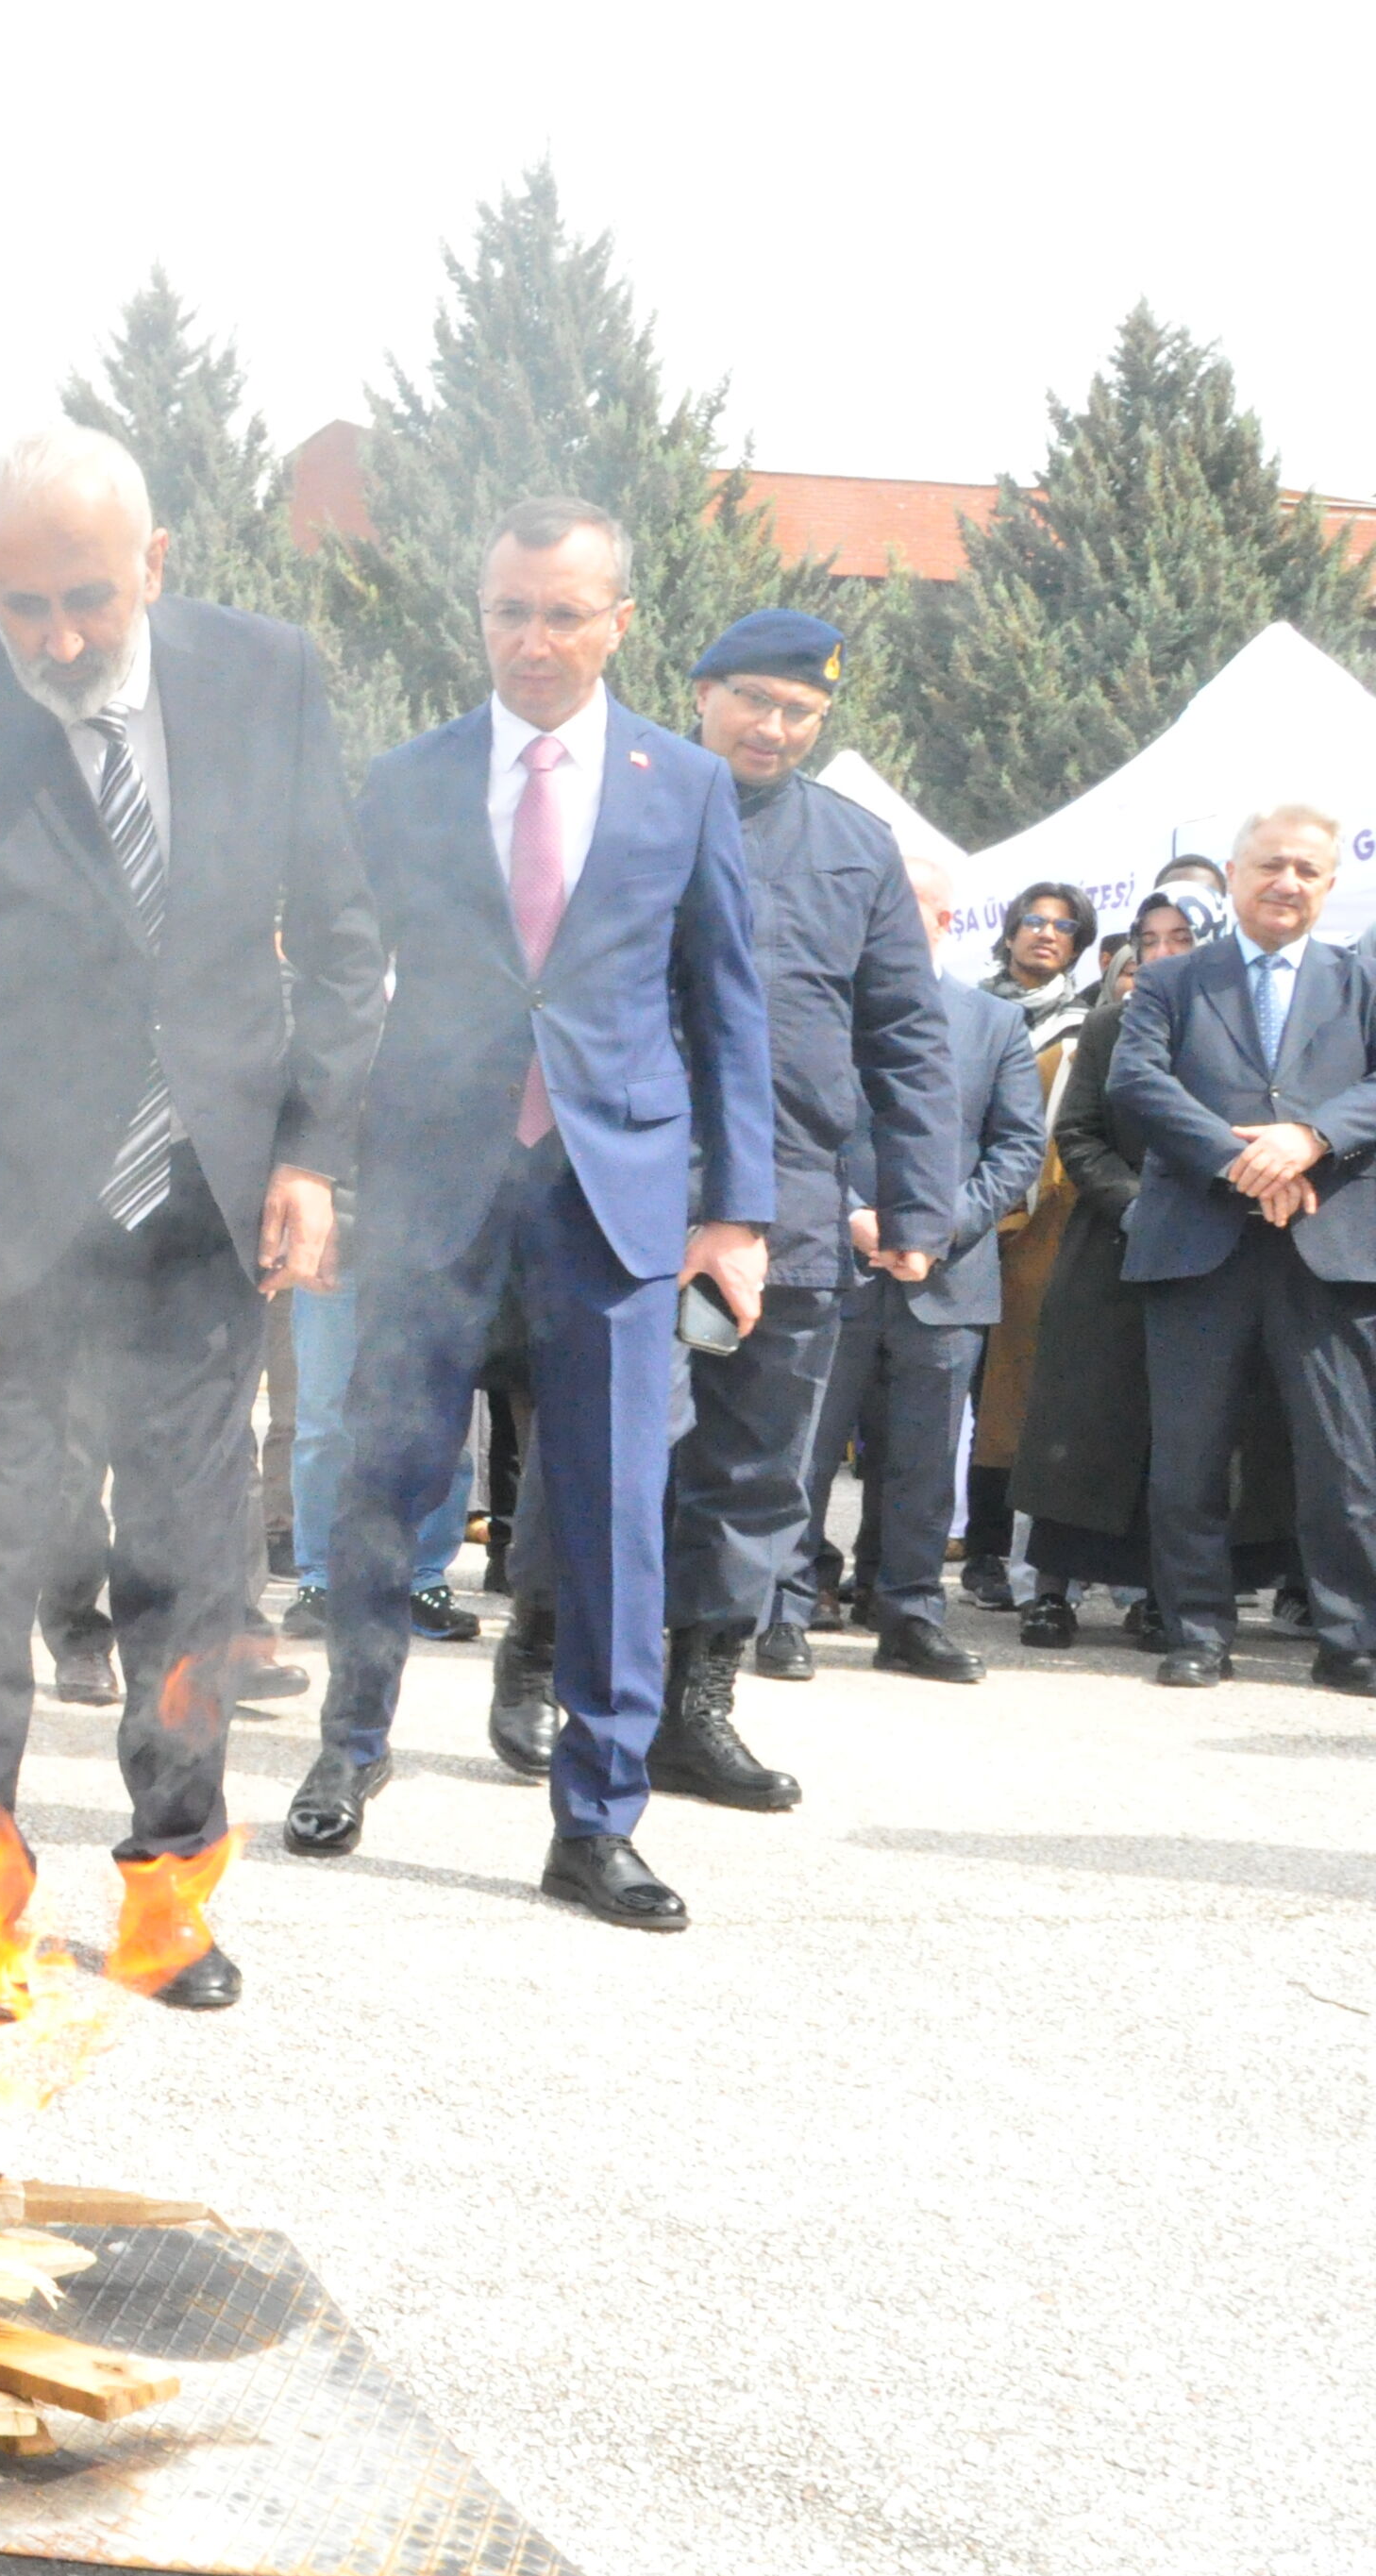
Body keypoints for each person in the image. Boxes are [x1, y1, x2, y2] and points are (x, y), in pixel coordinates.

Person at [0, 429, 381, 2003]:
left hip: (197, 1203)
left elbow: (341, 935)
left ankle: (171, 1882)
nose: (52, 640)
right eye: (19, 605)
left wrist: (310, 1154)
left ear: (155, 565)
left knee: (188, 1561)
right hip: (7, 1223)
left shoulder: (264, 678)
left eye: (86, 600)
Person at [281, 499, 772, 1934]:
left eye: (564, 614)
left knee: (611, 1511)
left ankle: (598, 1818)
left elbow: (727, 1005)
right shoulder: (409, 780)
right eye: (510, 611)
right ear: (479, 614)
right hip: (434, 1182)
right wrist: (318, 1165)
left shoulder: (685, 782)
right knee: (386, 1478)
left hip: (612, 1195)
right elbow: (344, 986)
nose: (534, 640)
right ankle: (349, 1745)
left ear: (620, 622)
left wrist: (737, 1211)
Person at [509, 610, 947, 1807]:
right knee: (605, 1440)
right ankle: (538, 1654)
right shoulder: (618, 800)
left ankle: (695, 1704)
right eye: (752, 697)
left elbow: (905, 1032)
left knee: (755, 1469)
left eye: (801, 709)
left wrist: (917, 1203)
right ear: (700, 691)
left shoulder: (854, 845)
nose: (774, 726)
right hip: (629, 1183)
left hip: (789, 1199)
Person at [1105, 803, 1376, 1692]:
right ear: (1234, 873)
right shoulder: (1173, 981)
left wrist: (1310, 1138)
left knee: (1344, 1456)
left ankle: (1352, 1638)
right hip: (1198, 1242)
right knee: (1190, 1454)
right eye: (1270, 865)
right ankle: (1196, 1631)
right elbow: (1136, 1082)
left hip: (1329, 1247)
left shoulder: (1360, 979)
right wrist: (1243, 1162)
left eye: (1307, 869)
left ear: (1330, 884)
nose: (1286, 883)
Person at [777, 867, 1045, 1677]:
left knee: (925, 1465)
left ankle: (910, 1615)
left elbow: (1017, 1147)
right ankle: (784, 1607)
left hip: (946, 1278)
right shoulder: (818, 1007)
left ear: (945, 919)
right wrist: (849, 1216)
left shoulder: (994, 1020)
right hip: (831, 1265)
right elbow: (790, 1128)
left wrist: (937, 1226)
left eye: (900, 904)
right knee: (801, 1453)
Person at [1012, 890, 1266, 1642]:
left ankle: (1163, 1592)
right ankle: (1051, 1589)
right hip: (1112, 1247)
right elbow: (1079, 1135)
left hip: (1213, 1246)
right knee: (1081, 1421)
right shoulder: (1110, 1024)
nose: (1161, 954)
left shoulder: (1247, 1030)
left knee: (1183, 1433)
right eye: (1148, 941)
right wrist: (1138, 1206)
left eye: (1180, 938)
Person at [959, 879, 1101, 1609]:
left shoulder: (1086, 1028)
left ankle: (1000, 1554)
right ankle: (956, 1547)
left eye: (1064, 925)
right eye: (1035, 920)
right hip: (955, 1223)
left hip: (1034, 1230)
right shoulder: (964, 1010)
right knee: (961, 1392)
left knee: (1014, 1395)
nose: (1047, 933)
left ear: (1078, 945)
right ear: (1010, 929)